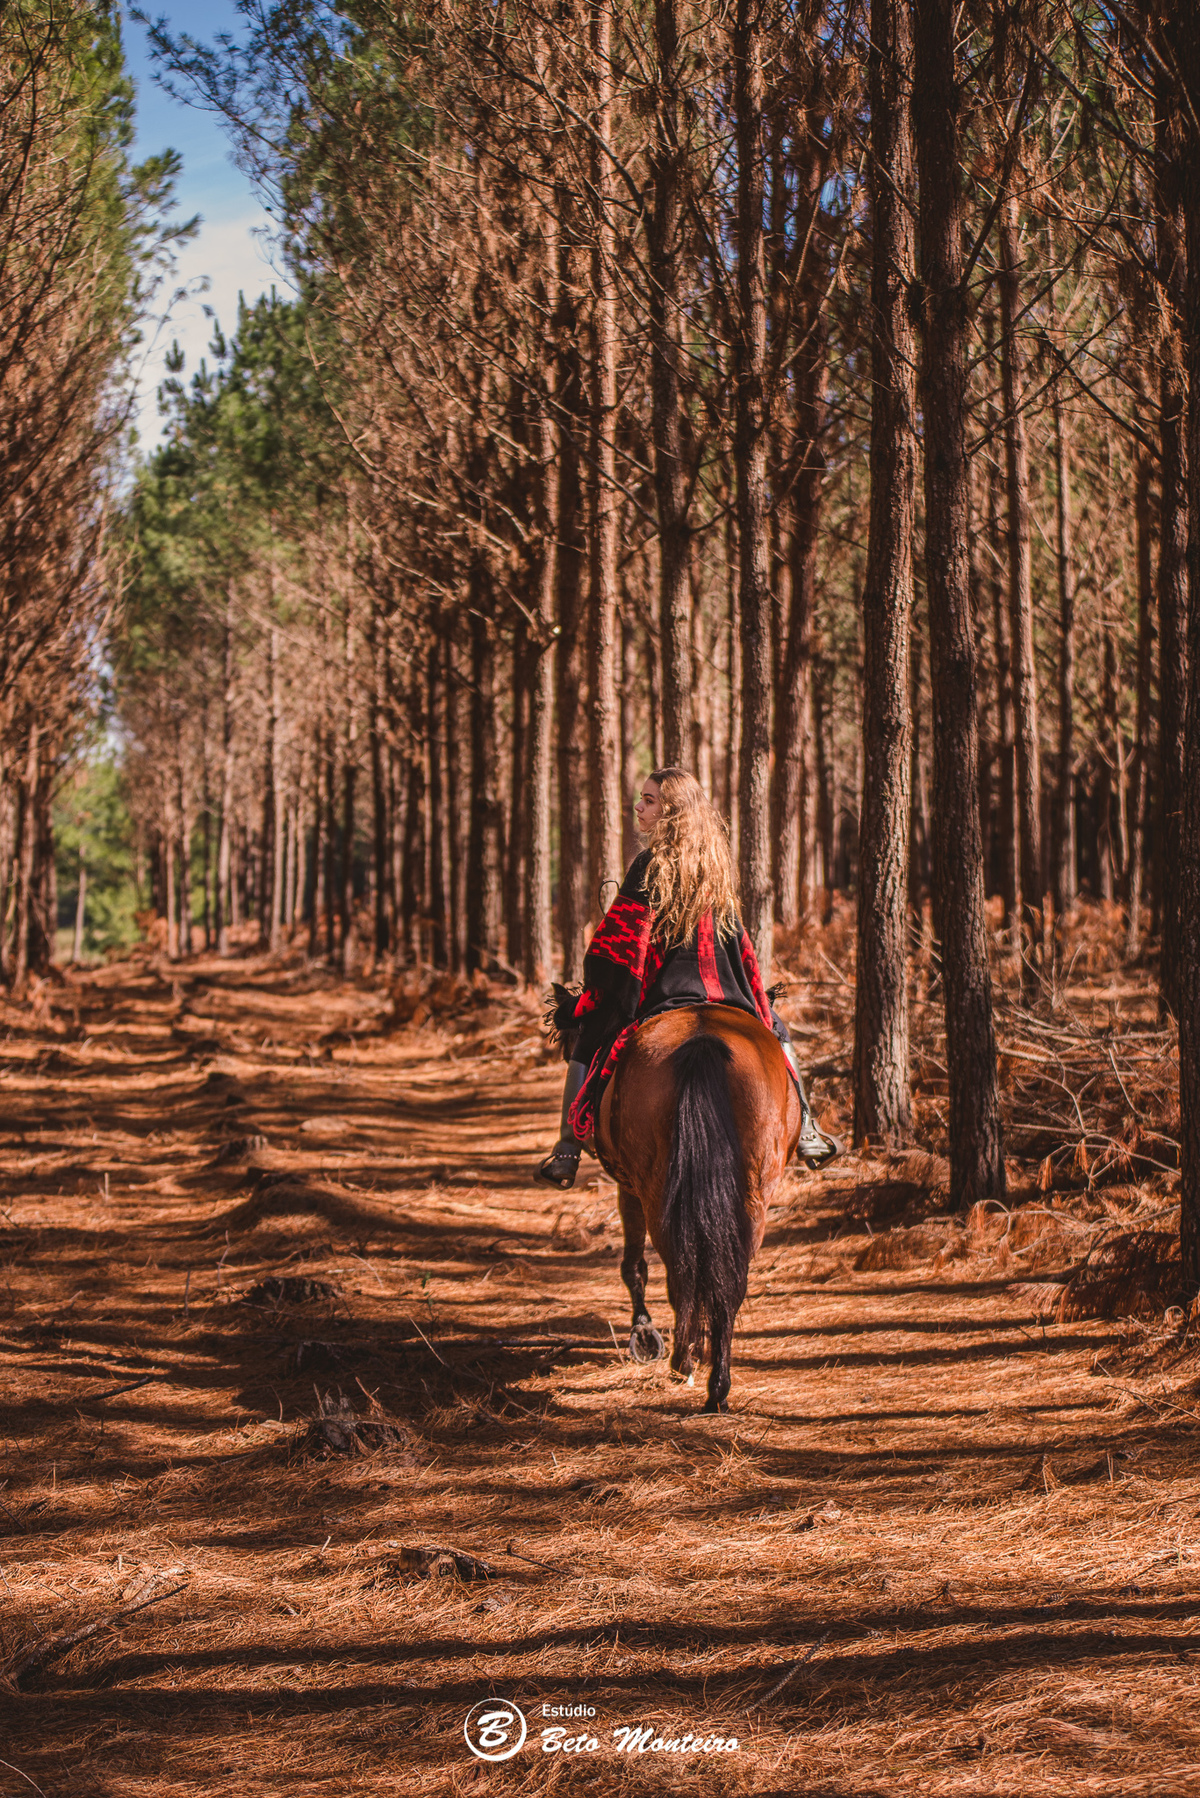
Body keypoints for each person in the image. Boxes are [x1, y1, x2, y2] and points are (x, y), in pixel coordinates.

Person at [536, 767, 840, 1190]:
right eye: (641, 798)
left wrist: (597, 990)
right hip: (726, 991)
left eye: (649, 800)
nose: (638, 807)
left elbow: (621, 944)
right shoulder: (716, 865)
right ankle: (807, 1127)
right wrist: (754, 996)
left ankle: (567, 1149)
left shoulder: (648, 865)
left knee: (588, 1032)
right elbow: (739, 944)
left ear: (673, 811)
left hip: (660, 996)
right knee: (778, 1033)